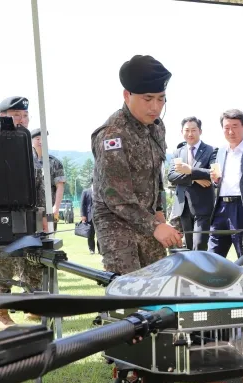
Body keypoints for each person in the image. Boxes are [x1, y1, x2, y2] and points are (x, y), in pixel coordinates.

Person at [91, 55, 181, 275]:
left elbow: (155, 174)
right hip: (116, 223)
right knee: (128, 290)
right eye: (148, 98)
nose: (155, 107)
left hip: (147, 219)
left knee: (157, 284)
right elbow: (116, 197)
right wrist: (156, 227)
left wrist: (159, 211)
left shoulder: (156, 127)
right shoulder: (113, 135)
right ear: (127, 95)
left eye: (161, 99)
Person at [0, 96, 46, 328]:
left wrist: (41, 215)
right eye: (16, 116)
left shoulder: (28, 146)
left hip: (28, 215)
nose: (22, 120)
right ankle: (0, 312)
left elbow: (39, 185)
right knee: (2, 263)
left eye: (25, 116)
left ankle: (30, 306)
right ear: (3, 117)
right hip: (0, 215)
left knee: (31, 262)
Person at [208, 109, 243, 260]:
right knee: (213, 256)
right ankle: (215, 283)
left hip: (242, 208)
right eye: (227, 127)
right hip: (221, 208)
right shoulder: (221, 150)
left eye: (235, 126)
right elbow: (219, 181)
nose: (231, 131)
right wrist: (215, 181)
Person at [168, 116, 216, 251]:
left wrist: (190, 170)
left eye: (193, 130)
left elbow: (213, 173)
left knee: (199, 244)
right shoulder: (178, 152)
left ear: (200, 131)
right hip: (183, 206)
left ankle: (202, 272)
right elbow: (172, 176)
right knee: (188, 246)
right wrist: (194, 178)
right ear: (182, 132)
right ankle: (191, 273)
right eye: (186, 130)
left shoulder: (211, 150)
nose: (190, 134)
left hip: (203, 206)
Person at [31, 128, 66, 230]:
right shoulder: (25, 161)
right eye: (37, 139)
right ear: (31, 141)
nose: (41, 141)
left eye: (44, 139)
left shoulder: (55, 162)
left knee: (49, 235)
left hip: (50, 209)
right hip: (29, 210)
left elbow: (60, 186)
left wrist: (56, 207)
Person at [80, 181, 98, 254]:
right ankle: (91, 250)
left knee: (100, 235)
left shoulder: (100, 191)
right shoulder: (86, 192)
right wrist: (83, 215)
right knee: (90, 235)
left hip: (99, 216)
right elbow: (82, 204)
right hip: (89, 217)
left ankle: (100, 250)